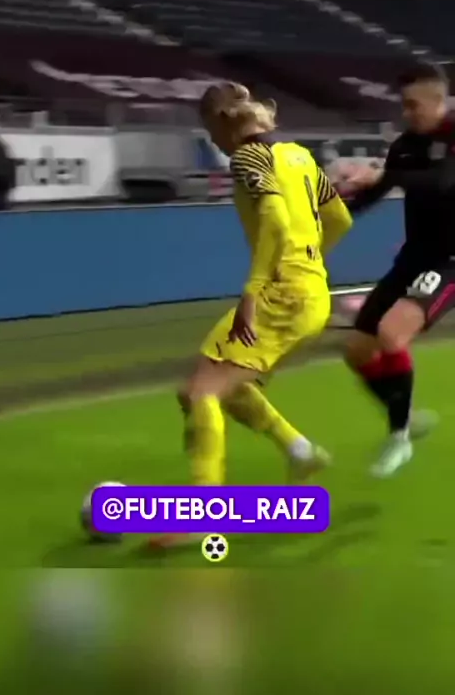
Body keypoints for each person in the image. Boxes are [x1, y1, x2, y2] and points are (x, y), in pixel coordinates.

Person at [149, 83, 353, 549]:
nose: (215, 143)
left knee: (202, 392)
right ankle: (299, 450)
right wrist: (308, 264)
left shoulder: (247, 156)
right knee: (205, 387)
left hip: (279, 295)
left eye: (210, 132)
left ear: (221, 122)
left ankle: (200, 515)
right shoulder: (299, 156)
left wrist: (254, 290)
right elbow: (339, 219)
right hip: (309, 291)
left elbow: (276, 221)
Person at [341, 62, 455, 477]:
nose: (406, 113)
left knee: (392, 333)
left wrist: (384, 174)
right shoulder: (405, 145)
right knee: (356, 351)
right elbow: (372, 197)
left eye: (413, 105)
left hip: (450, 260)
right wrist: (329, 206)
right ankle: (404, 413)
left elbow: (442, 181)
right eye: (403, 105)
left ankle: (399, 436)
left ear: (438, 100)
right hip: (414, 258)